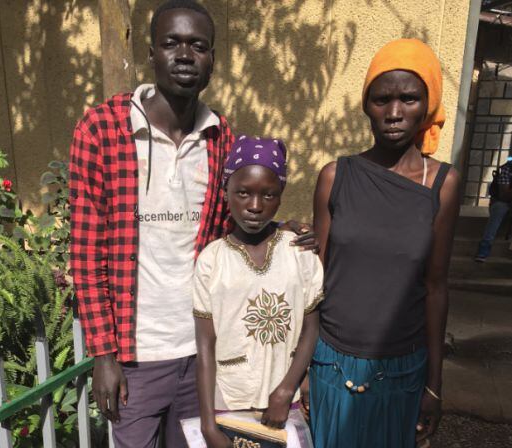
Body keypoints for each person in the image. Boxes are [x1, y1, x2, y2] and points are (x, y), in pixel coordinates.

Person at [69, 2, 317, 446]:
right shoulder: (102, 130)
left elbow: (237, 221)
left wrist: (283, 230)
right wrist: (103, 354)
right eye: (171, 43)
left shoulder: (222, 136)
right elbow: (87, 254)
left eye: (197, 46)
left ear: (212, 61)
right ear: (151, 53)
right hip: (135, 357)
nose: (184, 55)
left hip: (206, 355)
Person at [310, 39, 460, 448]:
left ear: (427, 105)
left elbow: (435, 287)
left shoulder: (442, 185)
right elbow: (313, 282)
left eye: (409, 99)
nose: (394, 113)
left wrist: (434, 385)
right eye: (382, 99)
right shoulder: (335, 177)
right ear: (366, 105)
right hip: (331, 365)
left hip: (402, 370)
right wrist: (300, 371)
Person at [194, 136, 323, 447]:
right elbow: (205, 345)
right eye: (243, 193)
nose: (254, 206)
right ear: (225, 192)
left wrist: (285, 390)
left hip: (284, 401)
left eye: (268, 195)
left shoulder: (299, 251)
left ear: (280, 198)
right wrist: (209, 424)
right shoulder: (212, 259)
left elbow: (311, 328)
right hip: (229, 402)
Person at [475, 158, 512, 262]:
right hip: (503, 202)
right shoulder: (508, 169)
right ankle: (484, 248)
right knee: (499, 208)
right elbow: (503, 195)